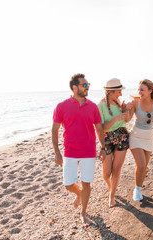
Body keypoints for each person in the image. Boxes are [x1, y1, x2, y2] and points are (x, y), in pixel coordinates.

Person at [51, 73, 106, 226]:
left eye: (88, 85)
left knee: (86, 182)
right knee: (68, 184)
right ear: (75, 88)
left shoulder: (93, 106)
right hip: (69, 152)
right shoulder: (61, 106)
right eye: (85, 85)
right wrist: (57, 152)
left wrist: (103, 148)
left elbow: (99, 129)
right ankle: (79, 194)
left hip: (88, 152)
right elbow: (54, 130)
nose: (87, 87)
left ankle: (83, 213)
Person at [128, 79, 153, 202]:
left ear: (150, 91)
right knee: (141, 164)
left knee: (144, 167)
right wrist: (126, 109)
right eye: (138, 90)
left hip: (149, 137)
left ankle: (139, 187)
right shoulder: (135, 102)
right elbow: (128, 119)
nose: (139, 92)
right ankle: (137, 190)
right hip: (136, 136)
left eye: (142, 90)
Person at [97, 78, 131, 208]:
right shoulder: (100, 105)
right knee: (106, 173)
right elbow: (101, 127)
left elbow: (126, 121)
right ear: (111, 92)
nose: (121, 94)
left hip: (122, 136)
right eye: (119, 91)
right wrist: (116, 118)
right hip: (107, 139)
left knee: (116, 169)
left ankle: (112, 195)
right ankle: (110, 186)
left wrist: (126, 110)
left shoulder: (117, 102)